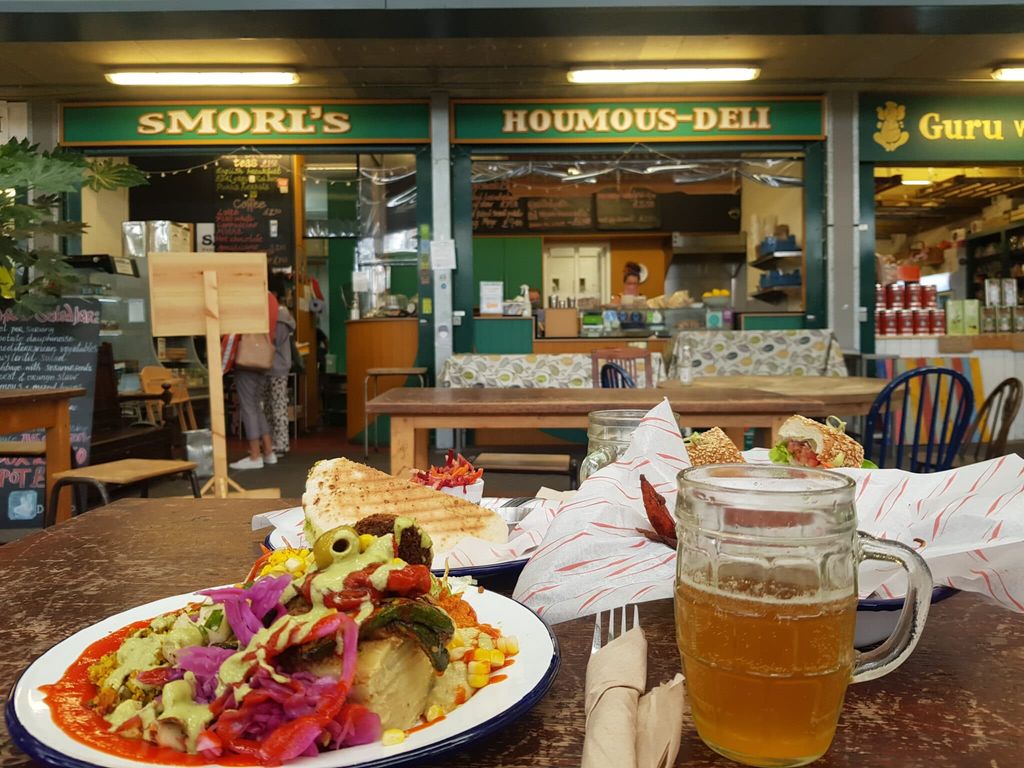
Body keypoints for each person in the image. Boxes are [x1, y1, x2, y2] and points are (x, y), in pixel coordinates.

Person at [229, 288, 286, 471]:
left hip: (247, 357)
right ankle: (268, 451)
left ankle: (255, 455)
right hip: (264, 357)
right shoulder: (271, 298)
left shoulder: (250, 297)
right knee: (256, 404)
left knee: (248, 406)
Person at [263, 276, 296, 455]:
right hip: (277, 365)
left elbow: (273, 340)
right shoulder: (283, 314)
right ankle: (274, 443)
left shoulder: (277, 313)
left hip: (272, 365)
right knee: (275, 404)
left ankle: (279, 443)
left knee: (274, 405)